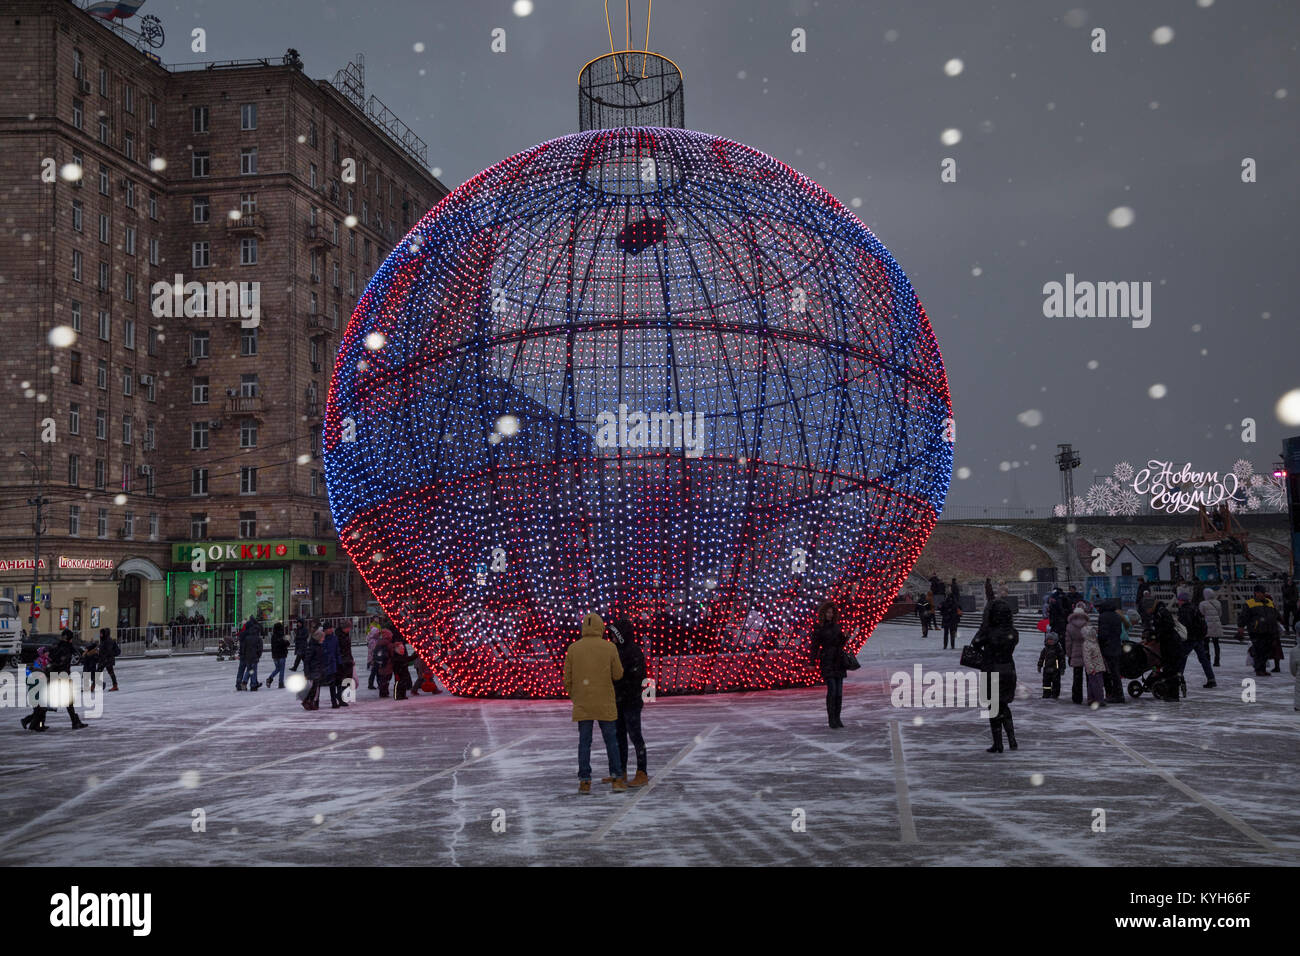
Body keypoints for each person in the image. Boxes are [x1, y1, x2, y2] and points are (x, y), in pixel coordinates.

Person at [563, 612, 625, 794]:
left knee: (584, 743)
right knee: (611, 741)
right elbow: (618, 674)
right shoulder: (609, 648)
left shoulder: (573, 648)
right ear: (601, 627)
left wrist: (575, 695)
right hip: (605, 700)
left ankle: (585, 781)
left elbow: (567, 677)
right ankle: (616, 778)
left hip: (583, 702)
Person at [970, 600, 1018, 753]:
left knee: (993, 706)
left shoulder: (988, 632)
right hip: (1008, 669)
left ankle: (998, 743)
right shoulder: (1013, 632)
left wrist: (984, 625)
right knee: (1003, 704)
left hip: (992, 669)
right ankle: (1012, 739)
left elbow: (975, 643)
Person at [606, 619, 649, 787]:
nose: (612, 638)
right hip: (619, 700)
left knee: (635, 736)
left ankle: (642, 772)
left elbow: (640, 676)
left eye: (615, 635)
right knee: (620, 737)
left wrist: (641, 697)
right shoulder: (615, 650)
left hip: (630, 700)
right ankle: (621, 771)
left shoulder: (633, 651)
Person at [810, 601, 847, 729]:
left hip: (838, 661)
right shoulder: (818, 627)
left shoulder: (836, 626)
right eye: (828, 612)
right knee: (832, 690)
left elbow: (840, 644)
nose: (830, 614)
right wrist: (811, 662)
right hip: (827, 661)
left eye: (832, 612)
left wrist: (844, 637)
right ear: (823, 613)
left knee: (839, 692)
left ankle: (837, 718)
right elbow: (814, 647)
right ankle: (831, 719)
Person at [47, 630, 89, 729]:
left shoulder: (58, 645)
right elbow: (65, 659)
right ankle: (31, 720)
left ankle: (75, 722)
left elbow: (51, 657)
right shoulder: (66, 647)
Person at [1236, 585, 1281, 678]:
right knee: (1258, 650)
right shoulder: (1250, 603)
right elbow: (1244, 616)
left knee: (1266, 651)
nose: (1263, 594)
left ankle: (1263, 669)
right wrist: (1241, 627)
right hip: (1256, 631)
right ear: (1256, 593)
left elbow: (1275, 614)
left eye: (1264, 592)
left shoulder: (1269, 602)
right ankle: (1258, 669)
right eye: (1261, 592)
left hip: (1269, 631)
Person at [1175, 590, 1215, 688]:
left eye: (1179, 600)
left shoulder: (1184, 610)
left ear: (1182, 600)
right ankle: (1211, 679)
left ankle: (1177, 678)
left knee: (1181, 658)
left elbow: (1185, 625)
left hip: (1189, 638)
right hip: (1198, 638)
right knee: (1204, 659)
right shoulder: (1194, 607)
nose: (1178, 602)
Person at [1095, 599, 1127, 704]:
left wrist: (1100, 642)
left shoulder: (1103, 617)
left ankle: (1112, 694)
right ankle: (1119, 694)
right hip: (1116, 646)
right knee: (1115, 672)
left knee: (1107, 672)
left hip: (1107, 648)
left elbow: (1103, 634)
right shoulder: (1116, 616)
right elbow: (1119, 631)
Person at [1150, 602, 1184, 700]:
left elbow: (1165, 628)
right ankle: (1172, 694)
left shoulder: (1160, 614)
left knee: (1170, 670)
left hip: (1171, 646)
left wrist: (1158, 635)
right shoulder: (1162, 612)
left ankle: (1172, 695)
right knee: (1171, 670)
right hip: (1172, 645)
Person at [20, 646, 53, 731]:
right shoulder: (38, 661)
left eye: (48, 652)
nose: (47, 653)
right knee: (40, 709)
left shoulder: (48, 660)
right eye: (46, 652)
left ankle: (39, 724)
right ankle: (32, 724)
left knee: (42, 709)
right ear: (42, 653)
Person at [300, 627, 330, 711]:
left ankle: (309, 702)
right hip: (313, 671)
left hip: (317, 670)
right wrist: (307, 673)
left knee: (315, 688)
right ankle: (308, 701)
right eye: (322, 637)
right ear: (318, 638)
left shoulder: (318, 646)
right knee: (314, 688)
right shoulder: (313, 647)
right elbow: (307, 661)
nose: (323, 639)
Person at [1064, 604, 1088, 704]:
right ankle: (1092, 695)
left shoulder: (1069, 626)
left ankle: (1077, 698)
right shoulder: (1087, 624)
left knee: (1077, 677)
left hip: (1075, 652)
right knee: (1089, 676)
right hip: (1087, 651)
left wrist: (1069, 655)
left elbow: (1068, 642)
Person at [235, 615, 264, 692]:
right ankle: (252, 683)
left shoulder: (243, 634)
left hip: (244, 653)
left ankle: (240, 683)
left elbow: (242, 644)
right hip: (249, 654)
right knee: (251, 670)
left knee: (243, 670)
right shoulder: (252, 634)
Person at [1081, 623, 1107, 706]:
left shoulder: (1094, 642)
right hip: (1094, 668)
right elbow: (1087, 658)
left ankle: (1091, 699)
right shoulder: (1087, 644)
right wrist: (1091, 668)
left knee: (1094, 684)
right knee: (1097, 685)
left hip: (1098, 667)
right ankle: (1099, 700)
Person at [1200, 587, 1225, 667]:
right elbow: (1220, 614)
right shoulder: (1218, 603)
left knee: (1206, 643)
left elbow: (1201, 614)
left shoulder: (1203, 604)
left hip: (1206, 625)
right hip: (1216, 625)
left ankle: (1207, 660)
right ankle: (1217, 660)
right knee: (1216, 643)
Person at [321, 625, 344, 707]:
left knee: (335, 683)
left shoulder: (334, 638)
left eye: (331, 628)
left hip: (334, 663)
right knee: (331, 683)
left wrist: (340, 662)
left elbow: (337, 651)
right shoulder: (322, 638)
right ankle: (333, 701)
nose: (331, 630)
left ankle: (335, 701)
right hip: (326, 664)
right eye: (329, 628)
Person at [1038, 633, 1066, 699]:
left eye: (1051, 640)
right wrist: (1040, 665)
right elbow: (1041, 658)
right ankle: (1046, 694)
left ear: (1055, 640)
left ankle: (1055, 695)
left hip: (1056, 670)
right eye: (1048, 640)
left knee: (1056, 683)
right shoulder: (1045, 649)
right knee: (1046, 683)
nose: (1050, 641)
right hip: (1046, 670)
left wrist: (1062, 668)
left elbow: (1062, 660)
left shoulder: (1058, 649)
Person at [390, 626, 414, 700]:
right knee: (398, 683)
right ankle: (397, 695)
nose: (403, 650)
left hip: (403, 671)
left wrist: (415, 655)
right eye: (401, 649)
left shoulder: (402, 656)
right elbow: (397, 662)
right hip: (398, 671)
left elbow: (408, 659)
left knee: (403, 683)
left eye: (403, 649)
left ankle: (403, 694)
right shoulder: (396, 657)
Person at [334, 621, 355, 704]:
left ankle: (341, 696)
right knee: (343, 680)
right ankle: (340, 696)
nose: (349, 629)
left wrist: (351, 658)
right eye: (348, 628)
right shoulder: (339, 637)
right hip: (342, 660)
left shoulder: (345, 635)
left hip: (347, 659)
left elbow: (348, 649)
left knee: (347, 680)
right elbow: (339, 649)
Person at [265, 621, 289, 689]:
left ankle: (270, 678)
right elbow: (286, 643)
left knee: (278, 668)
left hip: (275, 655)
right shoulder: (282, 635)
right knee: (281, 669)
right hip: (282, 654)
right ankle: (281, 683)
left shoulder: (273, 636)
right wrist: (286, 643)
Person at [373, 628, 394, 698]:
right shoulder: (389, 644)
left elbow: (374, 653)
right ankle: (385, 692)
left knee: (382, 679)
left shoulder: (378, 643)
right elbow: (392, 654)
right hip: (388, 664)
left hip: (380, 664)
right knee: (387, 679)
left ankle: (382, 692)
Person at [366, 619, 381, 689]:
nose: (379, 635)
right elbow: (374, 650)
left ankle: (377, 683)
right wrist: (373, 659)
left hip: (373, 659)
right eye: (377, 633)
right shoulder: (373, 641)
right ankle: (372, 684)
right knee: (375, 672)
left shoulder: (374, 640)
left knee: (375, 672)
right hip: (374, 659)